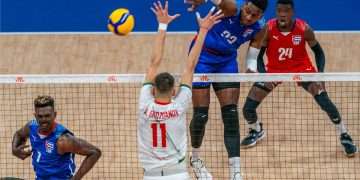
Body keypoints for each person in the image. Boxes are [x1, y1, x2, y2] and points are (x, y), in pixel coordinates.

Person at [240, 0, 358, 157]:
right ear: (276, 12)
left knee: (324, 101)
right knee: (248, 108)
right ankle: (256, 129)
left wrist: (320, 74)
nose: (282, 13)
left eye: (286, 10)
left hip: (302, 69)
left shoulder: (304, 29)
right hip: (275, 70)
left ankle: (344, 134)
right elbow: (260, 55)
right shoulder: (268, 29)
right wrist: (262, 74)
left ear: (292, 12)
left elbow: (319, 52)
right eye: (279, 10)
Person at [137, 1, 223, 180]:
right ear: (174, 91)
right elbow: (190, 66)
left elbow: (154, 62)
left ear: (152, 90)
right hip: (178, 174)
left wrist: (162, 25)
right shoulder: (180, 106)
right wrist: (204, 30)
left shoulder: (144, 104)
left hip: (150, 176)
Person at [184, 0, 268, 179]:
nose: (248, 17)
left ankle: (235, 170)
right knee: (201, 115)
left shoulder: (260, 28)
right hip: (202, 58)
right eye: (247, 11)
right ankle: (196, 159)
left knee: (230, 115)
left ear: (261, 15)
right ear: (244, 5)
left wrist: (251, 68)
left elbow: (253, 52)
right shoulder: (231, 8)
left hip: (226, 62)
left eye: (254, 15)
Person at [12, 95, 101, 180]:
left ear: (54, 115)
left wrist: (75, 179)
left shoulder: (63, 140)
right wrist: (15, 149)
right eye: (40, 116)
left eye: (47, 116)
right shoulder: (31, 127)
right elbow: (19, 134)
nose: (43, 120)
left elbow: (95, 152)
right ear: (35, 116)